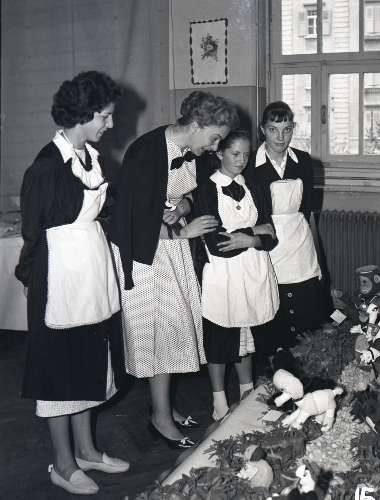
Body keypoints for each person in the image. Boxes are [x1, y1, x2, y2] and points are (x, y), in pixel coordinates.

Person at [15, 71, 128, 495]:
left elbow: (105, 210)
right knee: (59, 372)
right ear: (83, 114)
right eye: (105, 116)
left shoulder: (91, 159)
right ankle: (62, 465)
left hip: (90, 278)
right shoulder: (46, 167)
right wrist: (33, 282)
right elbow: (32, 234)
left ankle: (87, 451)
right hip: (58, 283)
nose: (111, 124)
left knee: (89, 362)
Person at [110, 91, 238, 447]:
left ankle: (164, 407)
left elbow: (190, 192)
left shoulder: (191, 151)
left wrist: (183, 206)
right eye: (214, 137)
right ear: (196, 125)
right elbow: (131, 219)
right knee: (158, 335)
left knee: (174, 328)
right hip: (144, 255)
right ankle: (160, 418)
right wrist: (182, 232)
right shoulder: (146, 152)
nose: (215, 147)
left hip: (171, 248)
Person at [193, 130, 279, 420]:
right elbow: (218, 245)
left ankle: (246, 393)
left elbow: (271, 235)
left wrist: (249, 239)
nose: (241, 160)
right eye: (235, 154)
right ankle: (219, 402)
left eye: (246, 154)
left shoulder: (253, 184)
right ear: (219, 153)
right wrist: (253, 233)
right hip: (223, 274)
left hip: (253, 270)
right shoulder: (206, 190)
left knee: (246, 334)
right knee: (220, 337)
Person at [245, 101, 324, 369]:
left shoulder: (304, 162)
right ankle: (273, 372)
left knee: (304, 309)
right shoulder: (249, 164)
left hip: (299, 242)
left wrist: (318, 256)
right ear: (262, 130)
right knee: (271, 308)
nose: (280, 137)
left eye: (286, 129)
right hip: (267, 242)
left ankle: (304, 369)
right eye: (273, 129)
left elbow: (308, 211)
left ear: (293, 129)